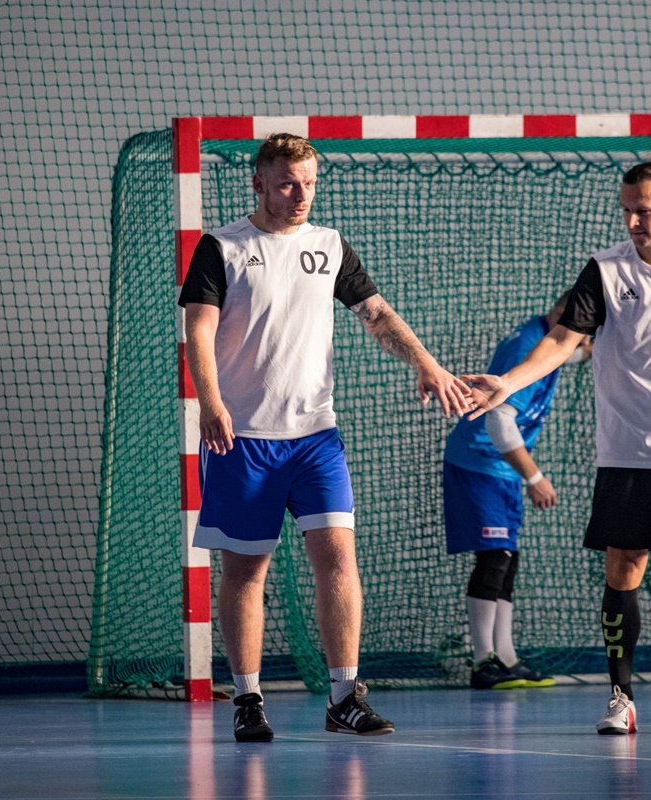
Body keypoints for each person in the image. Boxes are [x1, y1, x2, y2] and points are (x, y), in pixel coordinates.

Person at [179, 133, 474, 743]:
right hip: (245, 439)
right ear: (258, 183)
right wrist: (209, 401)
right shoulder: (223, 247)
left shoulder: (329, 245)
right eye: (287, 182)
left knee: (338, 559)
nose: (300, 194)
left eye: (309, 182)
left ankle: (344, 697)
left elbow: (377, 315)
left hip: (316, 436)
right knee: (246, 570)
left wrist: (424, 361)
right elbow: (199, 331)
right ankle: (247, 698)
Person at [463, 162, 651, 734]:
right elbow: (561, 340)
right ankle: (621, 697)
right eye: (625, 209)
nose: (631, 220)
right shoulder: (604, 271)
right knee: (625, 568)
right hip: (627, 450)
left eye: (643, 210)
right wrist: (510, 382)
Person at [442, 292, 590, 690]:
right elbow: (499, 423)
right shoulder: (527, 343)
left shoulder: (549, 336)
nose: (583, 339)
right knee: (494, 557)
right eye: (584, 331)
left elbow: (566, 354)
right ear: (565, 315)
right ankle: (481, 662)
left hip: (499, 467)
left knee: (508, 559)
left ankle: (505, 657)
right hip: (481, 461)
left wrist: (590, 351)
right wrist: (535, 477)